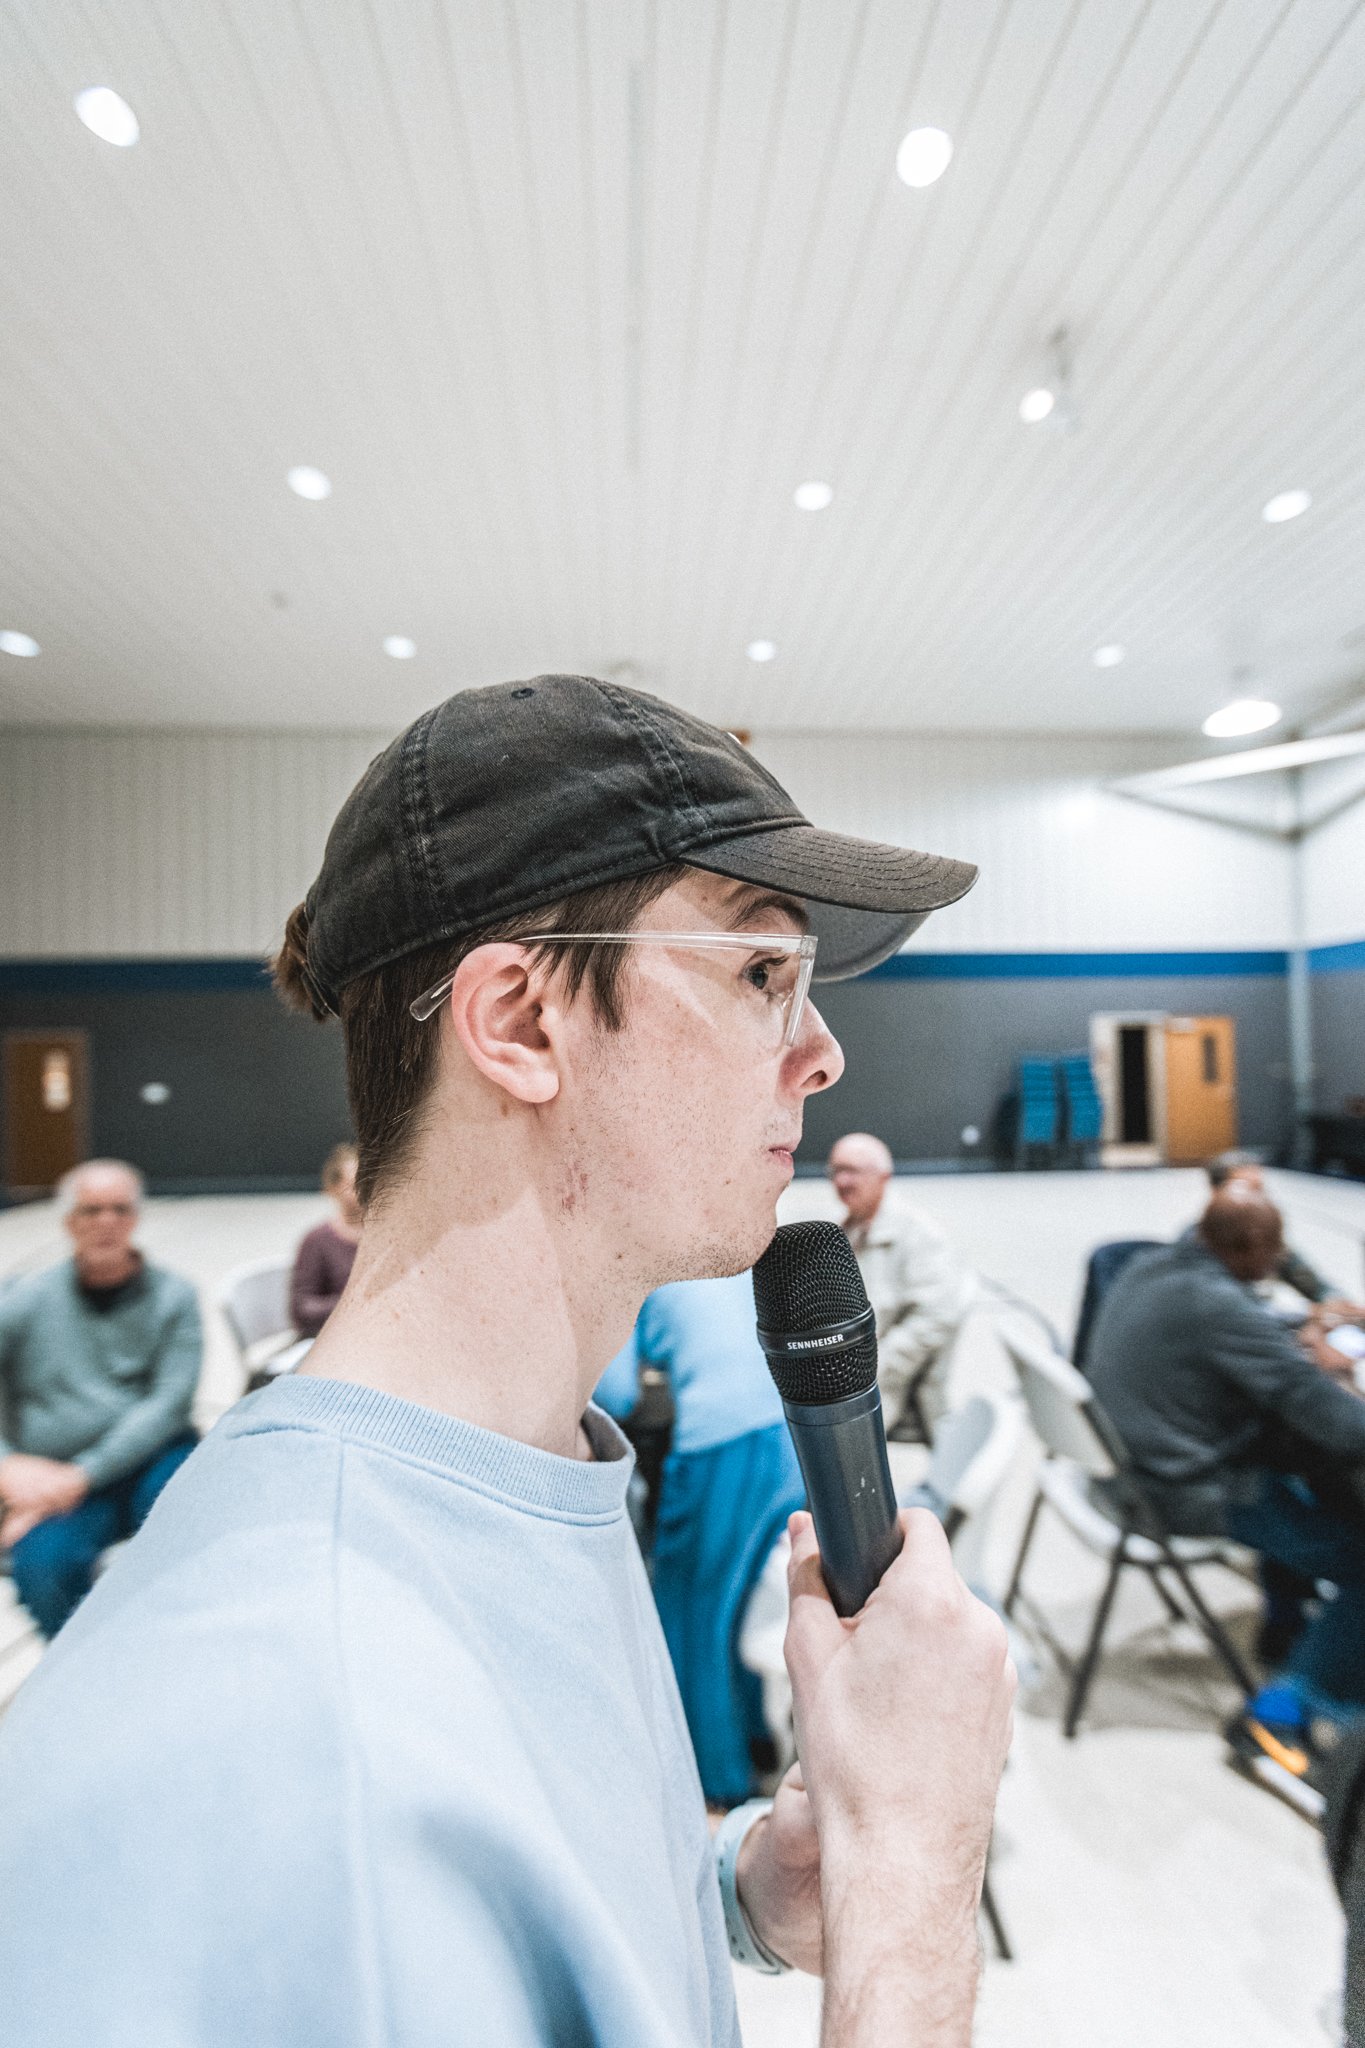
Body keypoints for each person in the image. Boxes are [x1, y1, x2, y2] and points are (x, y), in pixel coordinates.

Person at [0, 675, 1015, 2046]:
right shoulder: (283, 1723)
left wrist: (730, 1898)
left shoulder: (524, 1471)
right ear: (522, 1023)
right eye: (764, 973)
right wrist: (909, 1873)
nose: (822, 1054)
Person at [1086, 1185, 1365, 1782]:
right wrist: (1303, 1361)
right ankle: (1280, 1715)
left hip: (1130, 1469)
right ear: (1247, 1252)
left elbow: (1239, 1334)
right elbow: (1338, 1424)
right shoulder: (1221, 1307)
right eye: (1274, 1250)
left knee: (1306, 1474)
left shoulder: (1155, 1263)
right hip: (1180, 1494)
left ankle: (1287, 1626)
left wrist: (1293, 1335)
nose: (1280, 1260)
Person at [597, 1274, 806, 1807]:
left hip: (722, 1444)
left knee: (690, 1618)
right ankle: (753, 1741)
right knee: (739, 1607)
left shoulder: (618, 1261)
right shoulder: (703, 1240)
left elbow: (616, 1394)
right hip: (788, 1429)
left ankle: (716, 1785)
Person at [0, 1159, 200, 1638]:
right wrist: (8, 1465)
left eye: (119, 1209)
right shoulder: (26, 1300)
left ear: (136, 1217)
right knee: (44, 1567)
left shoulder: (173, 1297)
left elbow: (168, 1405)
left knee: (188, 1541)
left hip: (151, 1459)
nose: (106, 1222)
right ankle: (79, 1679)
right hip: (56, 1472)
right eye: (91, 1211)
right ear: (69, 1221)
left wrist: (82, 1476)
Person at [828, 1131, 972, 1440]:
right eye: (836, 1171)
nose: (841, 1181)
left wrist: (873, 1367)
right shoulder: (849, 1229)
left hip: (886, 1383)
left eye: (852, 1170)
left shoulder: (919, 1234)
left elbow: (938, 1316)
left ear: (884, 1176)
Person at [1204, 1152, 1365, 1318]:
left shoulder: (1263, 1239)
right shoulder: (1197, 1249)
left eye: (1260, 1189)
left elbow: (1311, 1282)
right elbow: (1229, 1313)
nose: (1259, 1198)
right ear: (1216, 1193)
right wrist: (1307, 1316)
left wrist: (1337, 1304)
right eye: (1246, 1189)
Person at [289, 1141, 363, 1336]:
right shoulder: (317, 1241)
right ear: (333, 1189)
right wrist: (354, 1301)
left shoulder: (382, 1235)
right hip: (332, 1337)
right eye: (354, 1186)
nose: (363, 1192)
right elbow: (302, 1309)